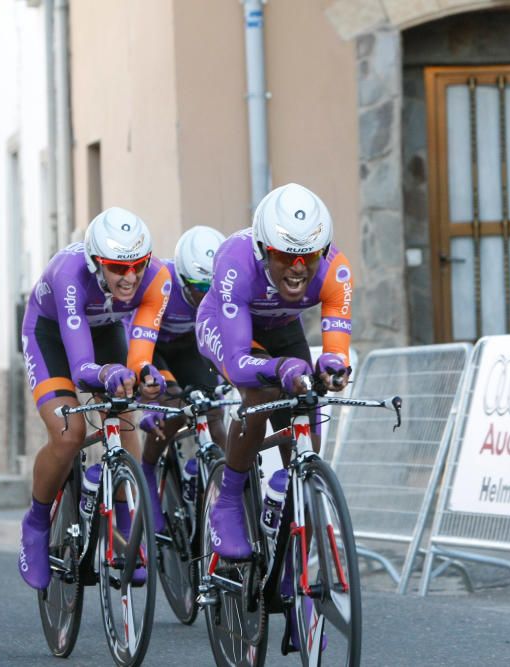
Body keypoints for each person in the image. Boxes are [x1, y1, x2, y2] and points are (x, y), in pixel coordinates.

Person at [195, 183, 352, 648]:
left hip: (282, 333)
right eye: (286, 256)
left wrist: (332, 366)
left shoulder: (335, 271)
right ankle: (228, 499)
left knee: (308, 418)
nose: (299, 267)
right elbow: (242, 361)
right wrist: (282, 368)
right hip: (229, 332)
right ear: (264, 249)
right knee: (260, 396)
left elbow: (336, 349)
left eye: (310, 255)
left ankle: (289, 543)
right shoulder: (235, 260)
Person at [18, 207, 169, 590]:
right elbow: (83, 365)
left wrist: (143, 374)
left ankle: (124, 527)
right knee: (70, 431)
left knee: (125, 412)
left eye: (137, 265)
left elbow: (140, 354)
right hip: (50, 335)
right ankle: (36, 522)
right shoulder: (71, 275)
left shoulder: (158, 279)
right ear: (94, 262)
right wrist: (108, 374)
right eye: (117, 267)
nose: (130, 276)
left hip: (104, 331)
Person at [136, 225, 228, 531]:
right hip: (154, 347)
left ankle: (232, 479)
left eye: (210, 290)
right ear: (181, 278)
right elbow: (136, 335)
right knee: (173, 402)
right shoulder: (161, 282)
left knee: (213, 407)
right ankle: (147, 470)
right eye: (198, 289)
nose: (204, 297)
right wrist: (149, 392)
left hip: (188, 347)